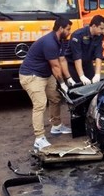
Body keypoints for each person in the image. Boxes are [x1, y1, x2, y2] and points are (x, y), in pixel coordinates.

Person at [19, 17, 74, 151]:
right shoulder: (49, 42)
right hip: (31, 75)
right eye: (68, 29)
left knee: (55, 97)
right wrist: (63, 84)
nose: (69, 32)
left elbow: (61, 60)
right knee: (40, 105)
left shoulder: (60, 40)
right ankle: (39, 139)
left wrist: (69, 78)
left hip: (45, 74)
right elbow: (55, 66)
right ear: (60, 28)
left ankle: (56, 126)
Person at [66, 15, 104, 86]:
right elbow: (77, 57)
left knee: (93, 86)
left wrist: (97, 74)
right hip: (73, 65)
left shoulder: (100, 36)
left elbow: (99, 55)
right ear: (94, 26)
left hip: (87, 64)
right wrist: (82, 76)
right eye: (101, 28)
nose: (103, 31)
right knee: (76, 88)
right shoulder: (78, 35)